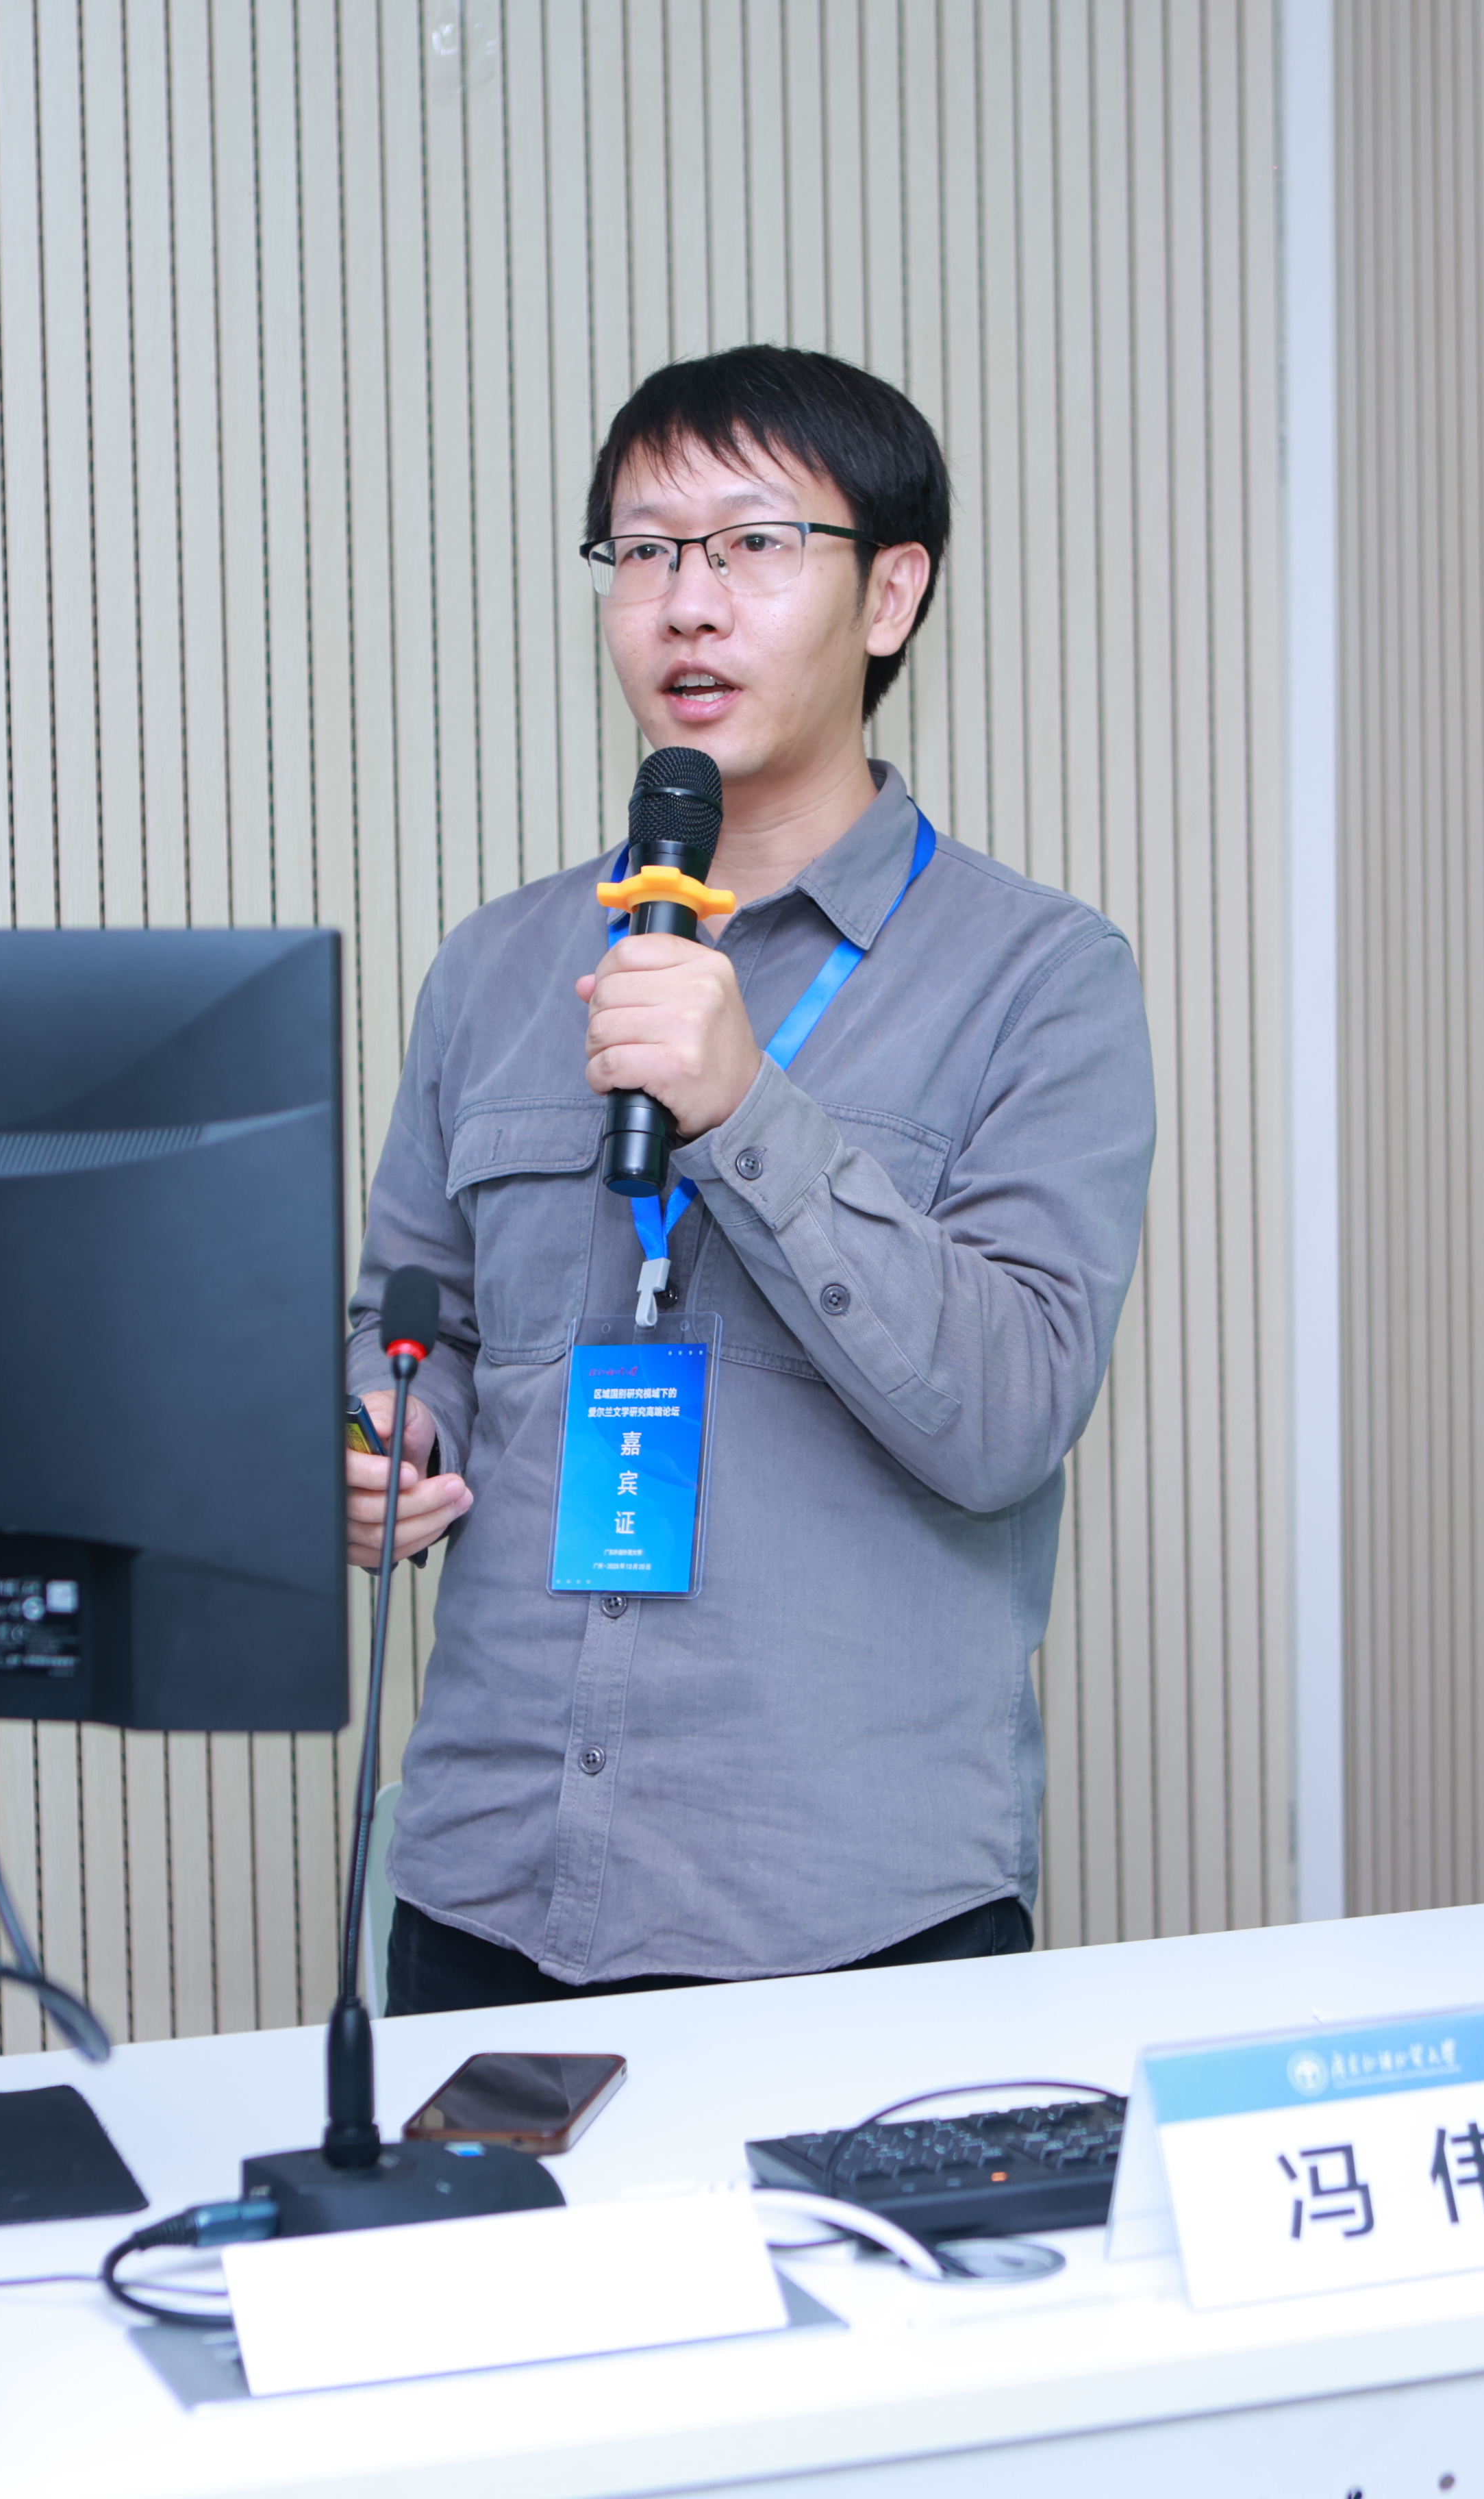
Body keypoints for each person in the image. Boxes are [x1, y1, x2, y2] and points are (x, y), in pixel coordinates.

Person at [343, 344, 1155, 2013]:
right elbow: (411, 1324)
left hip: (848, 1913)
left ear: (890, 594)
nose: (687, 605)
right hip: (487, 1883)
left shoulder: (1041, 978)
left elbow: (1008, 1414)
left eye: (754, 544)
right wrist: (379, 1441)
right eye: (645, 551)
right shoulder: (499, 967)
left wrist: (743, 1111)